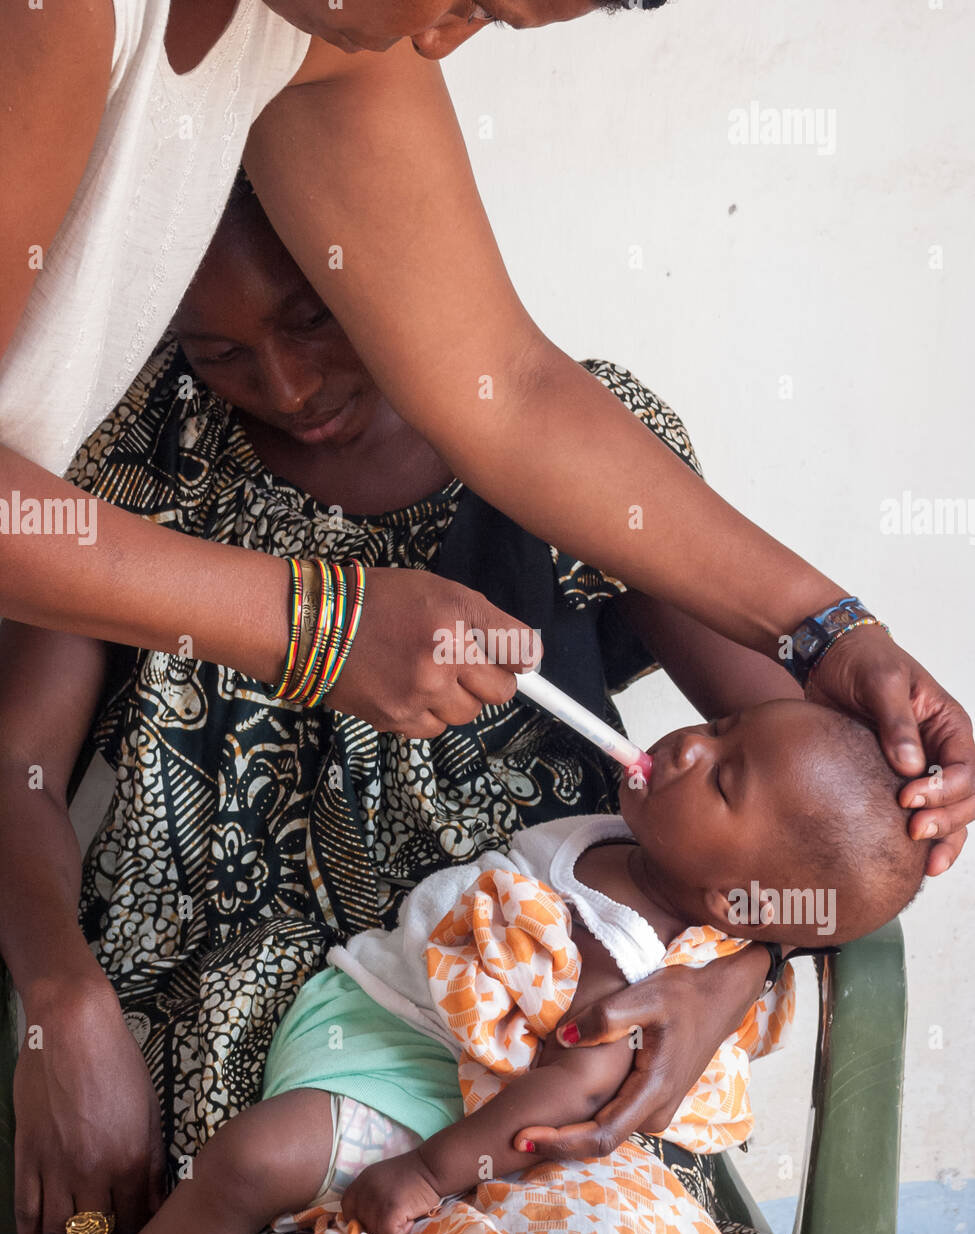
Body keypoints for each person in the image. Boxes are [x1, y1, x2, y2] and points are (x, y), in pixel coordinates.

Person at [0, 179, 805, 1234]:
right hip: (227, 1096)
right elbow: (17, 771)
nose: (284, 387)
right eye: (217, 349)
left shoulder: (573, 450)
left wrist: (736, 971)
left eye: (313, 319)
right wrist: (62, 1001)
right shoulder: (131, 454)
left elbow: (811, 795)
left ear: (386, 266)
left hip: (526, 1088)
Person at [0, 1, 972, 879]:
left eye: (493, 22)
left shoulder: (321, 38)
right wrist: (316, 625)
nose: (441, 43)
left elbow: (505, 389)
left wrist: (827, 628)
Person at [74, 697, 926, 1234]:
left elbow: (576, 1086)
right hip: (371, 1014)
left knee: (249, 1163)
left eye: (723, 782)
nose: (690, 747)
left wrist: (430, 1170)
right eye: (718, 726)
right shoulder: (635, 848)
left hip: (423, 1088)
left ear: (733, 904)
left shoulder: (629, 947)